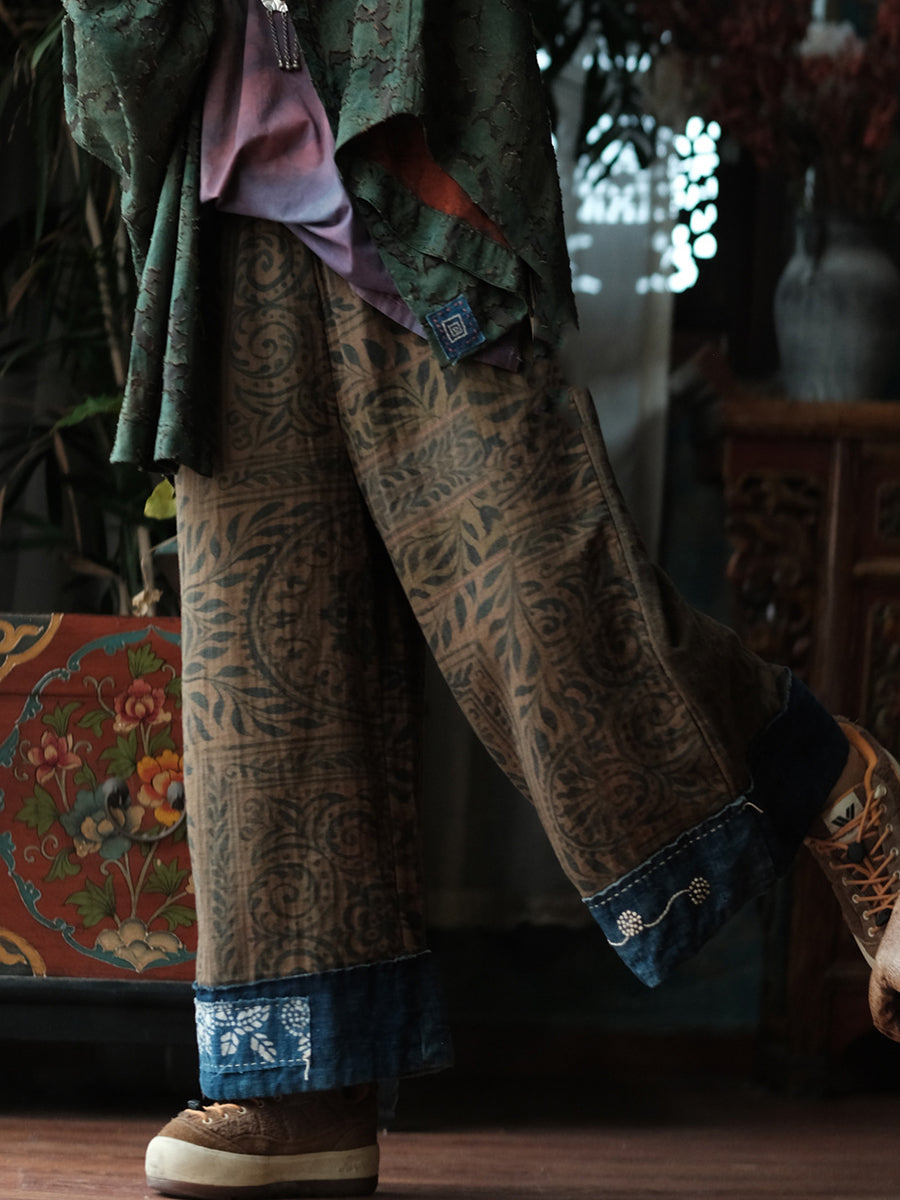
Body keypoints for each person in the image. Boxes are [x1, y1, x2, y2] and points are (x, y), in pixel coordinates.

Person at [60, 0, 900, 1197]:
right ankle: (302, 1085)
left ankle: (835, 783)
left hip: (412, 168)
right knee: (268, 670)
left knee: (541, 606)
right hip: (229, 218)